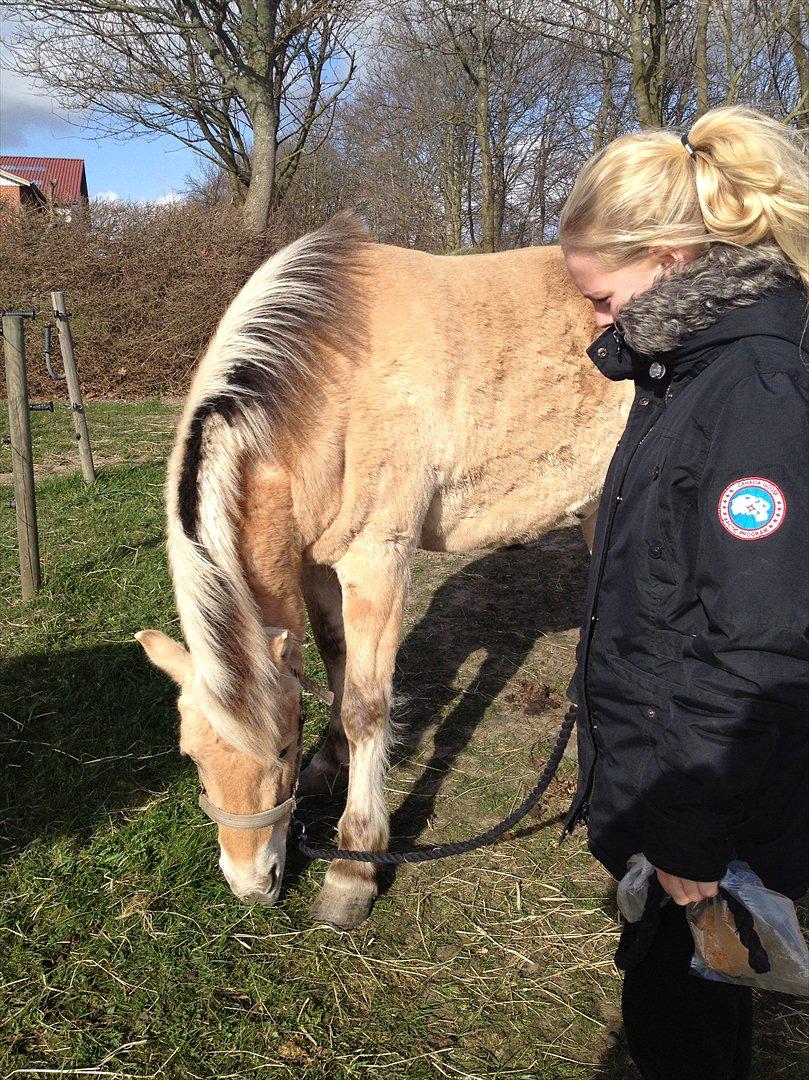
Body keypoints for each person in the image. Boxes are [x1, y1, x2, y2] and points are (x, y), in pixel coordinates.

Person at [557, 105, 809, 1079]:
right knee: (667, 1017)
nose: (592, 320)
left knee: (689, 1038)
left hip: (708, 824)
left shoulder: (751, 397)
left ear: (669, 259)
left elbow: (756, 638)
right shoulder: (681, 379)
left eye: (600, 296)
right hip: (667, 797)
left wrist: (691, 844)